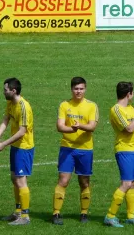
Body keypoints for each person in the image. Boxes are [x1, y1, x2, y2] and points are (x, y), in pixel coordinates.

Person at [52, 77, 98, 225]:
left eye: (81, 89)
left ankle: (84, 213)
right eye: (76, 89)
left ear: (85, 89)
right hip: (67, 148)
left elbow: (92, 127)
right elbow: (60, 126)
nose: (78, 91)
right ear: (71, 89)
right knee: (63, 180)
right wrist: (73, 128)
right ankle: (56, 213)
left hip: (85, 149)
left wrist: (80, 126)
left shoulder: (92, 106)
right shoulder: (65, 105)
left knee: (84, 182)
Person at [104, 82, 134, 227]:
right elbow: (129, 129)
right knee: (126, 183)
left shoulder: (130, 108)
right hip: (124, 149)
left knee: (133, 183)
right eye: (132, 93)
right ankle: (110, 216)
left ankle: (130, 216)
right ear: (128, 94)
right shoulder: (116, 110)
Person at [0, 77, 34, 226]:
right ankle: (18, 212)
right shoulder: (10, 103)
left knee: (21, 180)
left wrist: (3, 144)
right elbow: (6, 119)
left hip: (24, 147)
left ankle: (25, 216)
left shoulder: (24, 106)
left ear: (13, 91)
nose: (3, 92)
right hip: (16, 146)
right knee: (14, 178)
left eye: (5, 90)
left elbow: (22, 131)